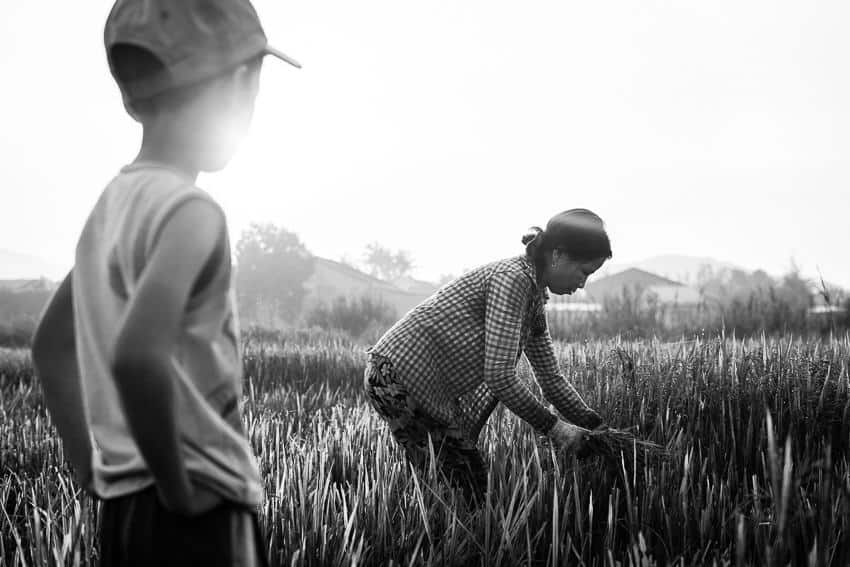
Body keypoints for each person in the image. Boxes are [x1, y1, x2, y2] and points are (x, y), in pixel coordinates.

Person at [30, 1, 299, 564]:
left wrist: (93, 471)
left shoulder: (112, 207)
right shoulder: (193, 214)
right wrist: (178, 491)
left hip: (124, 509)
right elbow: (136, 357)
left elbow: (51, 346)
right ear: (236, 82)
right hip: (200, 506)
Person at [364, 209, 612, 502]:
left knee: (454, 483)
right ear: (557, 255)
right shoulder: (513, 281)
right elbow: (500, 376)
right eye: (584, 272)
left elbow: (550, 379)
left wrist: (595, 424)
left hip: (409, 382)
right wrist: (556, 430)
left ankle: (431, 532)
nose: (582, 284)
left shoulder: (532, 298)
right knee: (464, 486)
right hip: (395, 377)